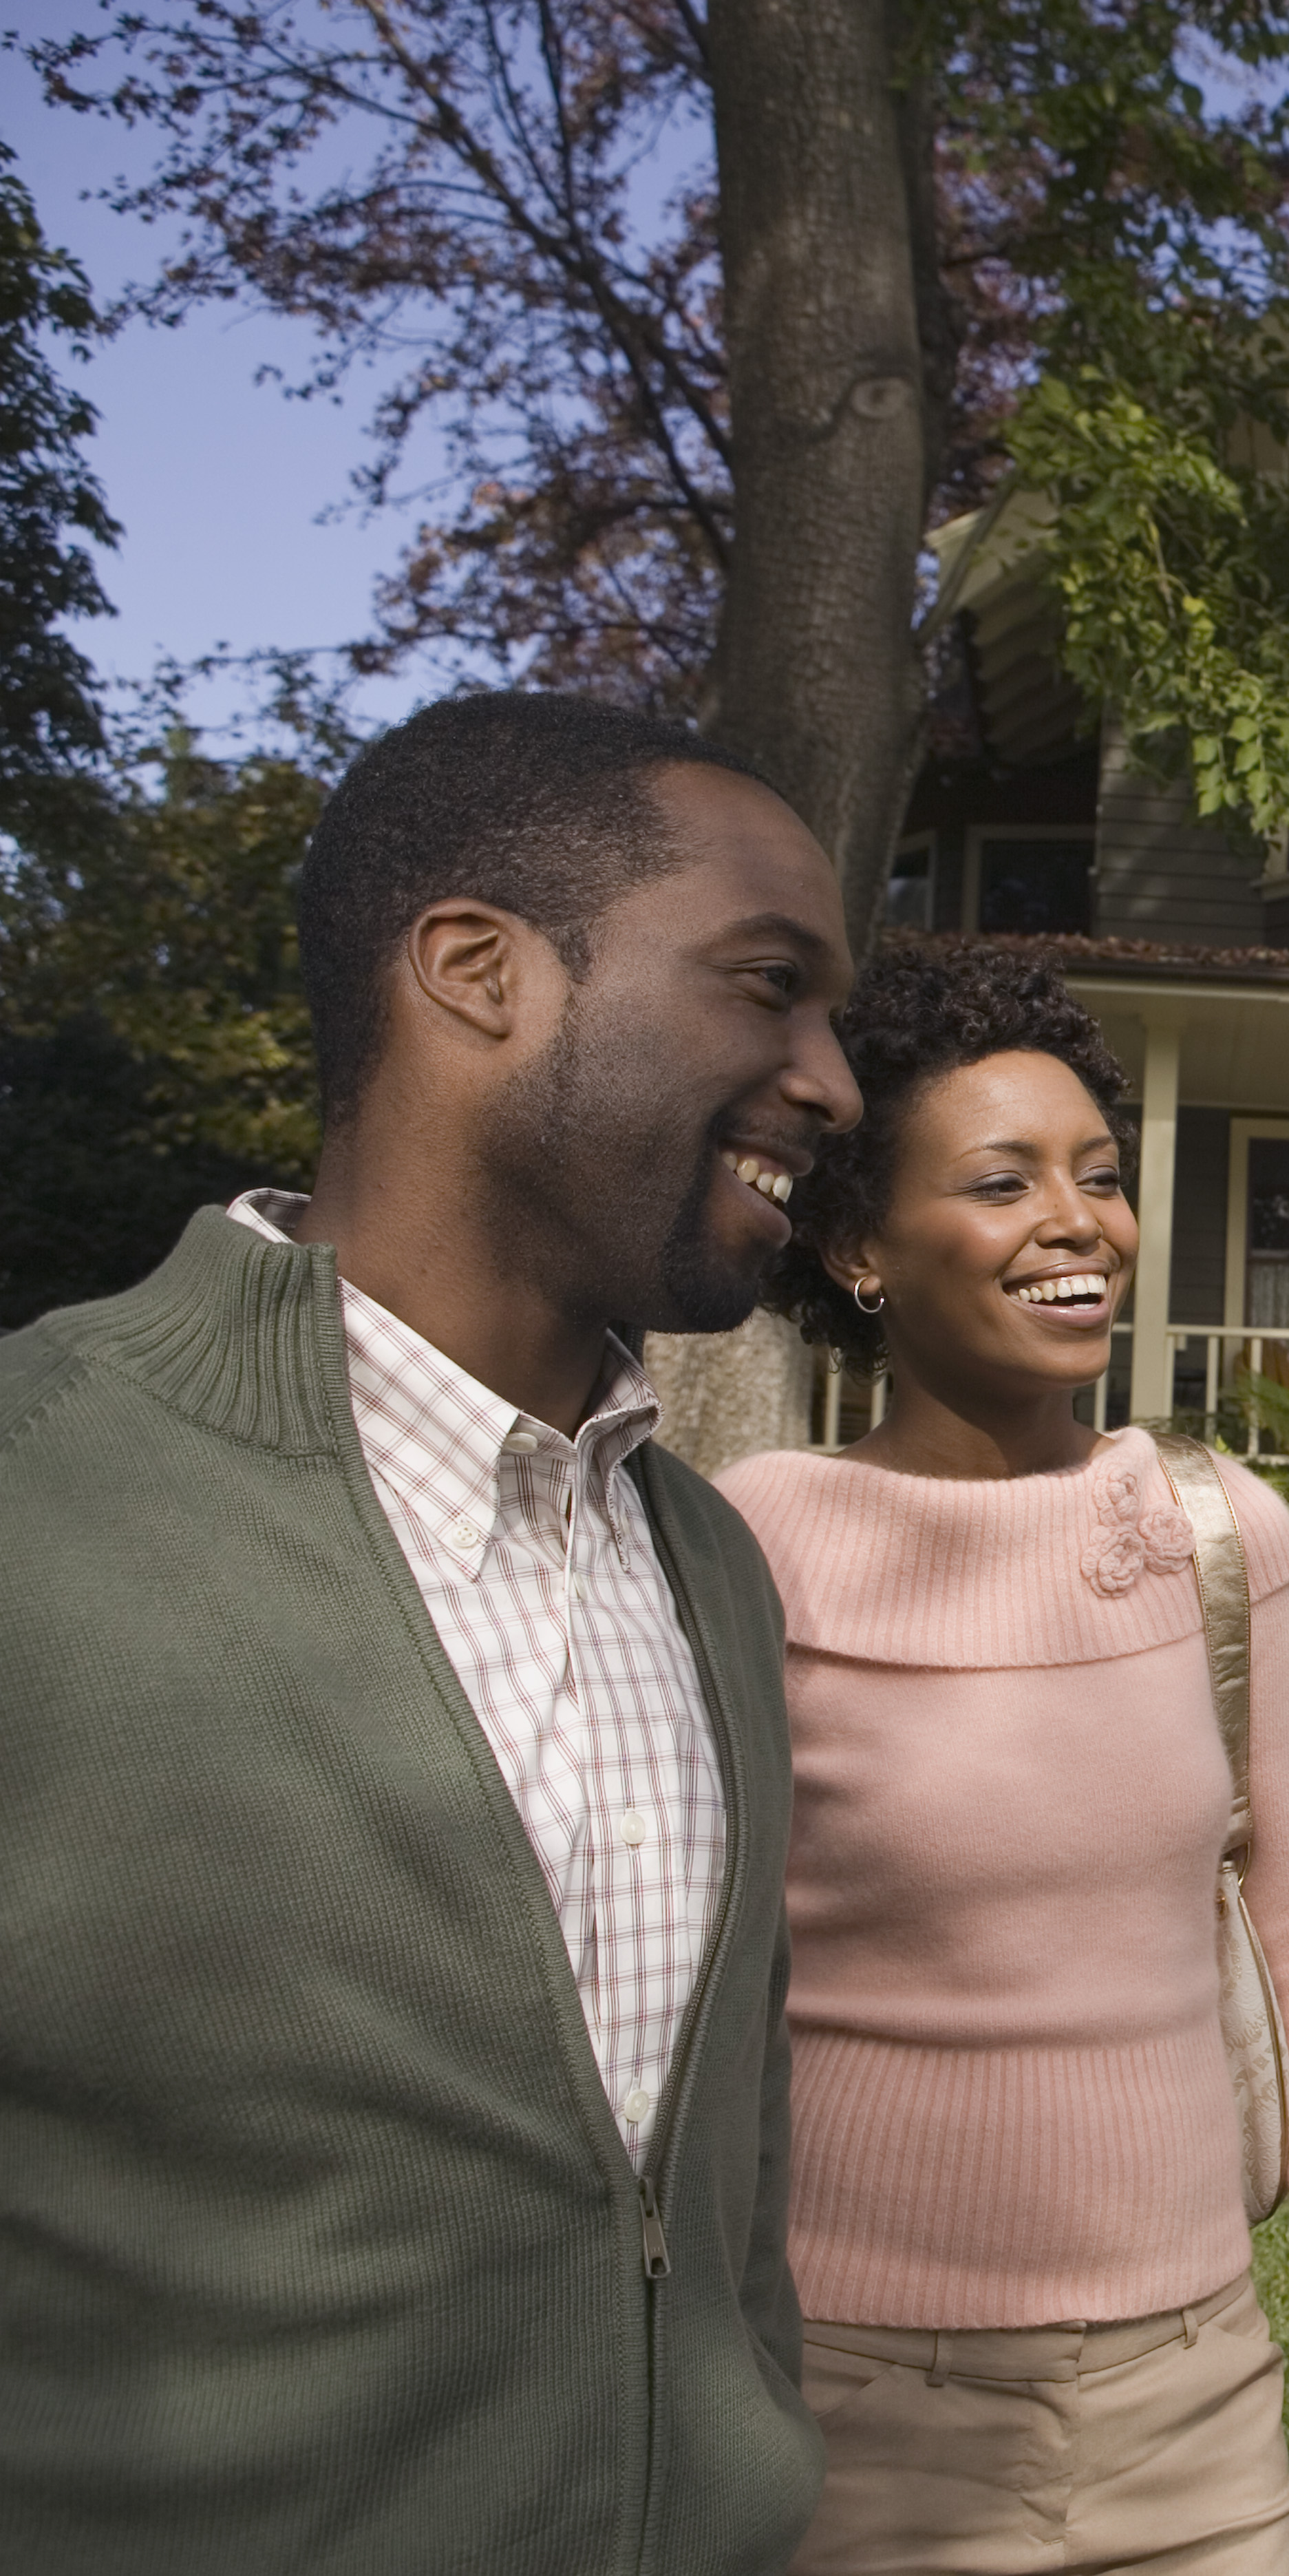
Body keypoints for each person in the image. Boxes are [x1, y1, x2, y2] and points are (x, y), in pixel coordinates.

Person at [0, 693, 860, 2572]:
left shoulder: (709, 1558)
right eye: (766, 983)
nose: (835, 1079)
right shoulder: (34, 1500)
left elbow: (730, 2184)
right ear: (479, 970)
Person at [716, 944, 1289, 2576]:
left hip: (1196, 2401)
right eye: (1001, 1178)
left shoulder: (1212, 1530)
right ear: (857, 1245)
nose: (1079, 1220)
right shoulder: (755, 1537)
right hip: (852, 2407)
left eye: (1099, 1177)